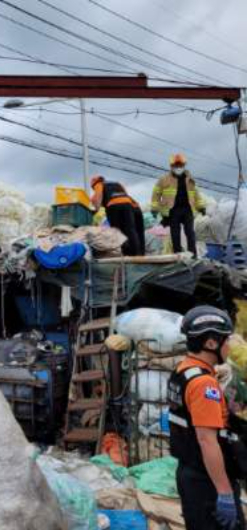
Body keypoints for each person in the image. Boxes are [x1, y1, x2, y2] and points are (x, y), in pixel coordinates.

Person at [168, 306, 245, 530]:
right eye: (226, 340)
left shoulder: (183, 370)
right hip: (207, 481)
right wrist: (224, 493)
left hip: (190, 471)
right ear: (211, 343)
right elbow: (207, 440)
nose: (229, 346)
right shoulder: (204, 384)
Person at [151, 154, 207, 257]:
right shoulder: (164, 179)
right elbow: (156, 194)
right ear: (171, 166)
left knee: (190, 233)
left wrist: (201, 207)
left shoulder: (190, 179)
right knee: (175, 234)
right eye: (176, 165)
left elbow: (196, 194)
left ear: (184, 165)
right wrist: (154, 208)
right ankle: (177, 255)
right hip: (172, 210)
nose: (178, 168)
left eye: (180, 165)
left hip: (187, 209)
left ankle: (193, 255)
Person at [90, 175, 141, 256]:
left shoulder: (98, 184)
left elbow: (98, 197)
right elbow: (126, 194)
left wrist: (96, 209)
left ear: (94, 183)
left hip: (113, 206)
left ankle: (124, 252)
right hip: (127, 204)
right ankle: (136, 253)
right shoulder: (117, 183)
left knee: (116, 230)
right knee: (130, 229)